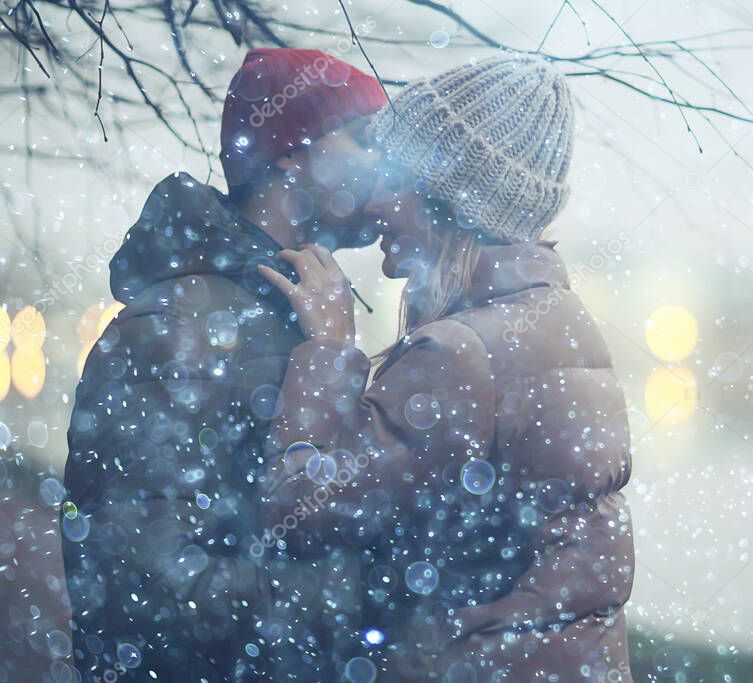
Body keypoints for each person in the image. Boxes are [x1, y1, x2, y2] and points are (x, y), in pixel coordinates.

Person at [259, 54, 635, 681]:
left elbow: (297, 509)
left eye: (396, 176)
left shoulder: (463, 356)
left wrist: (327, 351)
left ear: (449, 199)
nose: (375, 199)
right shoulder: (559, 321)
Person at [61, 48, 387, 681]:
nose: (383, 169)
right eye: (363, 139)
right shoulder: (178, 327)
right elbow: (147, 587)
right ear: (292, 151)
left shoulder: (294, 312)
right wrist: (361, 595)